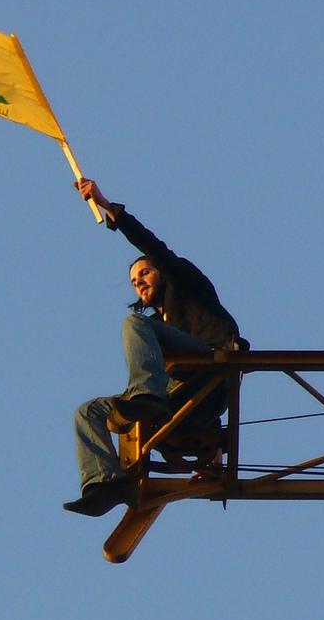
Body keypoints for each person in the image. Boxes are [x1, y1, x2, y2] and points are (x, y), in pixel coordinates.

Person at [63, 179, 243, 517]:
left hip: (209, 372)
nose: (139, 281)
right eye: (133, 280)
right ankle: (106, 484)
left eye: (144, 273)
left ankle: (146, 396)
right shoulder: (158, 325)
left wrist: (105, 205)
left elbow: (155, 247)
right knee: (88, 412)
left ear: (162, 272)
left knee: (134, 324)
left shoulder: (186, 284)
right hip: (182, 403)